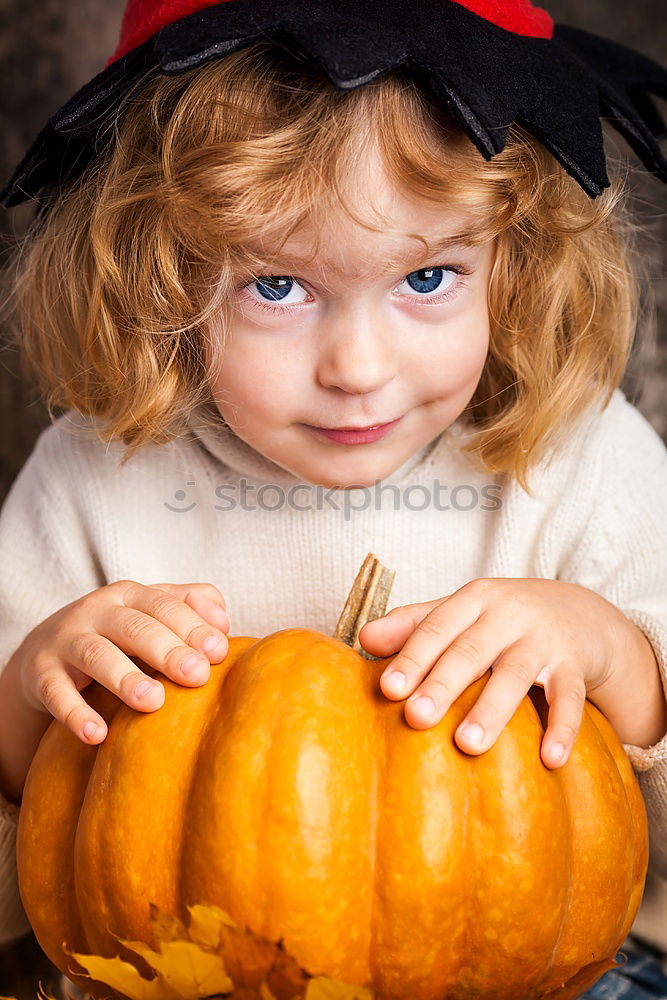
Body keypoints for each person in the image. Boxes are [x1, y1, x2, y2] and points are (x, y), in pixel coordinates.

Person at [0, 1, 667, 998]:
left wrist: (609, 647)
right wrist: (30, 686)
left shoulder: (573, 459)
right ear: (161, 272)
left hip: (518, 972)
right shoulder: (98, 477)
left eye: (429, 275)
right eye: (276, 287)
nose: (357, 367)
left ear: (514, 260)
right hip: (177, 973)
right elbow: (26, 791)